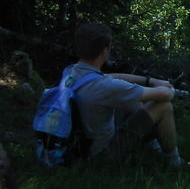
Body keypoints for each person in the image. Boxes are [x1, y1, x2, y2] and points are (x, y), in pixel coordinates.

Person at [68, 23, 183, 168]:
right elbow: (164, 95)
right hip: (100, 157)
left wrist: (150, 81)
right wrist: (169, 88)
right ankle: (174, 162)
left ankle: (153, 143)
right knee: (163, 106)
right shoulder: (105, 87)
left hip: (76, 147)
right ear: (105, 51)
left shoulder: (70, 72)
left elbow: (113, 77)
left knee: (132, 99)